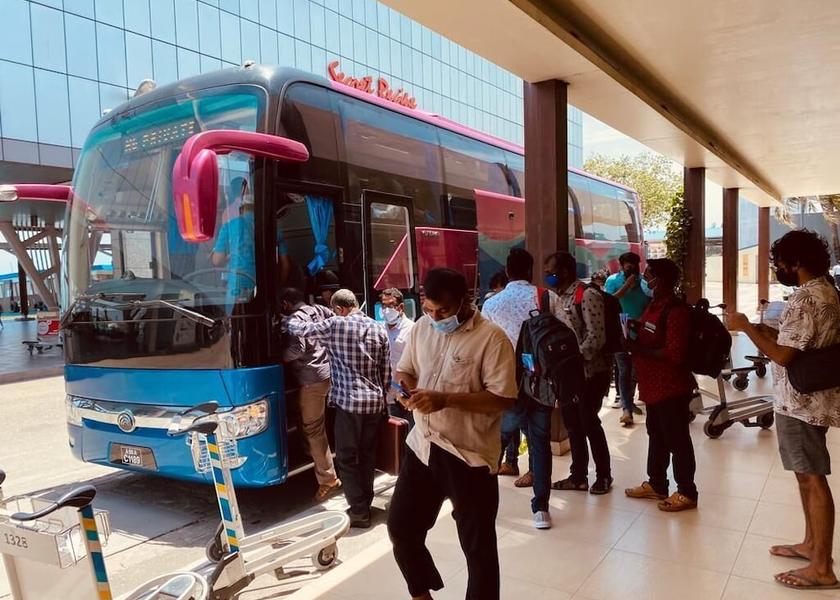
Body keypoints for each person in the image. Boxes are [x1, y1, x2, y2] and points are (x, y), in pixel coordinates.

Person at [389, 268, 517, 600]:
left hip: (469, 456)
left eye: (443, 311)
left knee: (478, 550)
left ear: (465, 301)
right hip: (424, 446)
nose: (435, 317)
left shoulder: (492, 338)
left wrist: (446, 399)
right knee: (402, 528)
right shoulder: (421, 328)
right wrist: (404, 389)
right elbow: (405, 369)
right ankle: (422, 595)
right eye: (429, 310)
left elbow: (503, 399)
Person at [728, 230, 840, 590]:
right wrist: (768, 330)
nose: (778, 269)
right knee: (804, 476)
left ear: (796, 262)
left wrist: (745, 327)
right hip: (806, 400)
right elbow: (797, 343)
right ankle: (811, 545)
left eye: (779, 263)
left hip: (801, 404)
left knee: (811, 478)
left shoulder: (808, 298)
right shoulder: (825, 290)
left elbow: (783, 355)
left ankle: (822, 567)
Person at [286, 289, 390, 528]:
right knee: (367, 456)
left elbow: (302, 330)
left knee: (346, 458)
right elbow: (386, 373)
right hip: (374, 403)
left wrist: (288, 319)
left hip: (349, 404)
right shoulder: (378, 328)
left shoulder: (335, 324)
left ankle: (359, 510)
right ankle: (365, 502)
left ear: (340, 309)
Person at [482, 248, 562, 529]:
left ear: (507, 271)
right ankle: (541, 508)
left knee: (495, 443)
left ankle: (483, 507)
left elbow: (484, 348)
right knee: (539, 442)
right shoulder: (547, 297)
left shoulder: (491, 304)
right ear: (531, 271)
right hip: (540, 381)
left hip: (506, 383)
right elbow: (567, 337)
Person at [624, 258, 699, 512]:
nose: (645, 280)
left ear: (661, 280)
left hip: (671, 387)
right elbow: (652, 331)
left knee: (677, 440)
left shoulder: (676, 311)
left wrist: (639, 349)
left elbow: (675, 354)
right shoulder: (655, 305)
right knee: (656, 435)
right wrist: (635, 327)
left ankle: (687, 491)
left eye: (648, 276)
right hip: (652, 387)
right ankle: (657, 483)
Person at [543, 251, 613, 495]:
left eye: (550, 271)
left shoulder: (587, 295)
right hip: (569, 375)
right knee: (572, 424)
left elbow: (596, 337)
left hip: (591, 373)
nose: (546, 276)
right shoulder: (558, 298)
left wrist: (572, 361)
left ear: (564, 271)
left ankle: (604, 475)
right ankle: (578, 476)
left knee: (589, 423)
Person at [278, 287, 342, 503]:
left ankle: (328, 479)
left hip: (311, 379)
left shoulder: (295, 320)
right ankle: (312, 455)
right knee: (307, 418)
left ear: (286, 304)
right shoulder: (319, 310)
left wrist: (280, 356)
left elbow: (297, 349)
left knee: (314, 429)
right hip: (327, 373)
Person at [605, 252, 651, 425]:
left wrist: (642, 320)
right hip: (620, 330)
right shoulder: (612, 281)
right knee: (624, 369)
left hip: (640, 331)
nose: (631, 268)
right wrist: (626, 286)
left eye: (635, 264)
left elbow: (649, 303)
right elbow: (609, 301)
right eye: (628, 265)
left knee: (636, 371)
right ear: (622, 265)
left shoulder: (644, 282)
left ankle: (629, 401)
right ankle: (626, 409)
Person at [211, 177, 256, 304]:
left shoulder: (229, 224)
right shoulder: (269, 226)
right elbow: (284, 263)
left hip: (237, 285)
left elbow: (217, 260)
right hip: (264, 284)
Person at [380, 288, 415, 427]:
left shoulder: (412, 329)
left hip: (408, 392)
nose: (386, 310)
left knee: (411, 436)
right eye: (384, 306)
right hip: (389, 394)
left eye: (390, 305)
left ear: (400, 307)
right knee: (394, 435)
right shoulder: (380, 329)